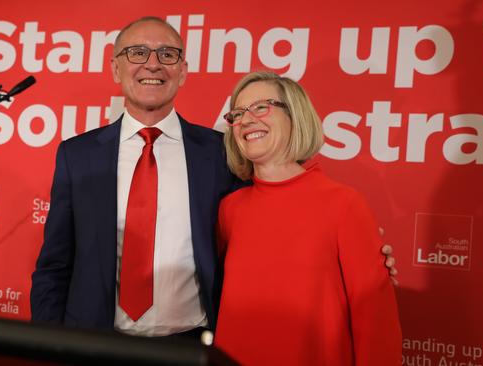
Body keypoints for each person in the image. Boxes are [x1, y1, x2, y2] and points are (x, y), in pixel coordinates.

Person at [30, 16, 398, 339]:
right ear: (115, 68)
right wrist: (49, 345)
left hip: (193, 346)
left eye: (168, 54)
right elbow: (54, 267)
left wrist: (362, 256)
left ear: (184, 71)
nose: (153, 64)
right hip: (95, 344)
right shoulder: (76, 155)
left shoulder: (222, 152)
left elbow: (281, 213)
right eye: (137, 52)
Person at [215, 71, 402, 364]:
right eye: (237, 113)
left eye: (261, 107)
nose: (246, 120)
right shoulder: (230, 209)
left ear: (296, 115)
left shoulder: (344, 204)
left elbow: (376, 323)